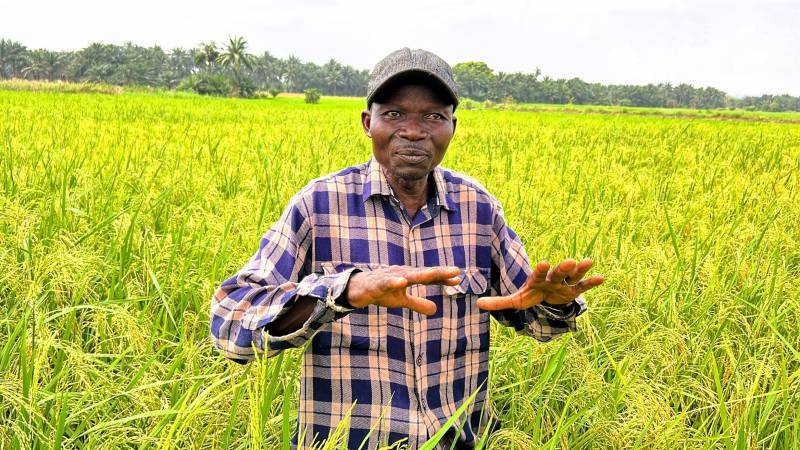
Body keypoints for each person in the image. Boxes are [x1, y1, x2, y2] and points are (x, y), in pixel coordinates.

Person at [210, 48, 604, 449]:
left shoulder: (479, 210)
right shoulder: (319, 205)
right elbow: (230, 323)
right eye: (394, 114)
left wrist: (551, 304)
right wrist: (341, 292)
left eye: (433, 116)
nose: (413, 131)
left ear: (453, 126)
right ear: (368, 123)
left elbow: (539, 321)